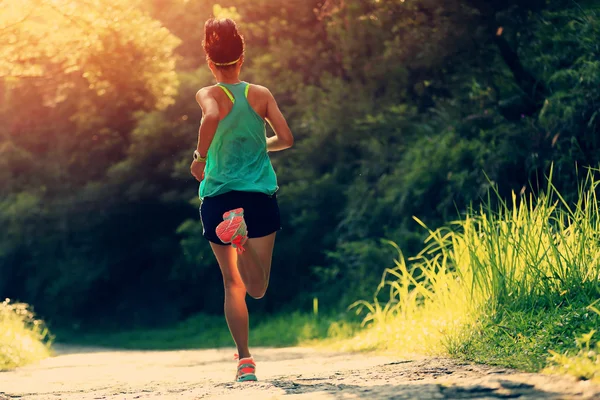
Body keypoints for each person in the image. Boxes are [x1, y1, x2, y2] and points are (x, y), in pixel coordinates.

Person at [189, 17, 294, 383]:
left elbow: (214, 115)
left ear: (210, 61)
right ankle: (243, 237)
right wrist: (261, 147)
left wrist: (200, 158)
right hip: (258, 195)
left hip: (219, 198)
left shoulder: (208, 94)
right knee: (258, 288)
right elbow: (286, 138)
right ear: (242, 57)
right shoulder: (261, 94)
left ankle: (245, 361)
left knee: (233, 285)